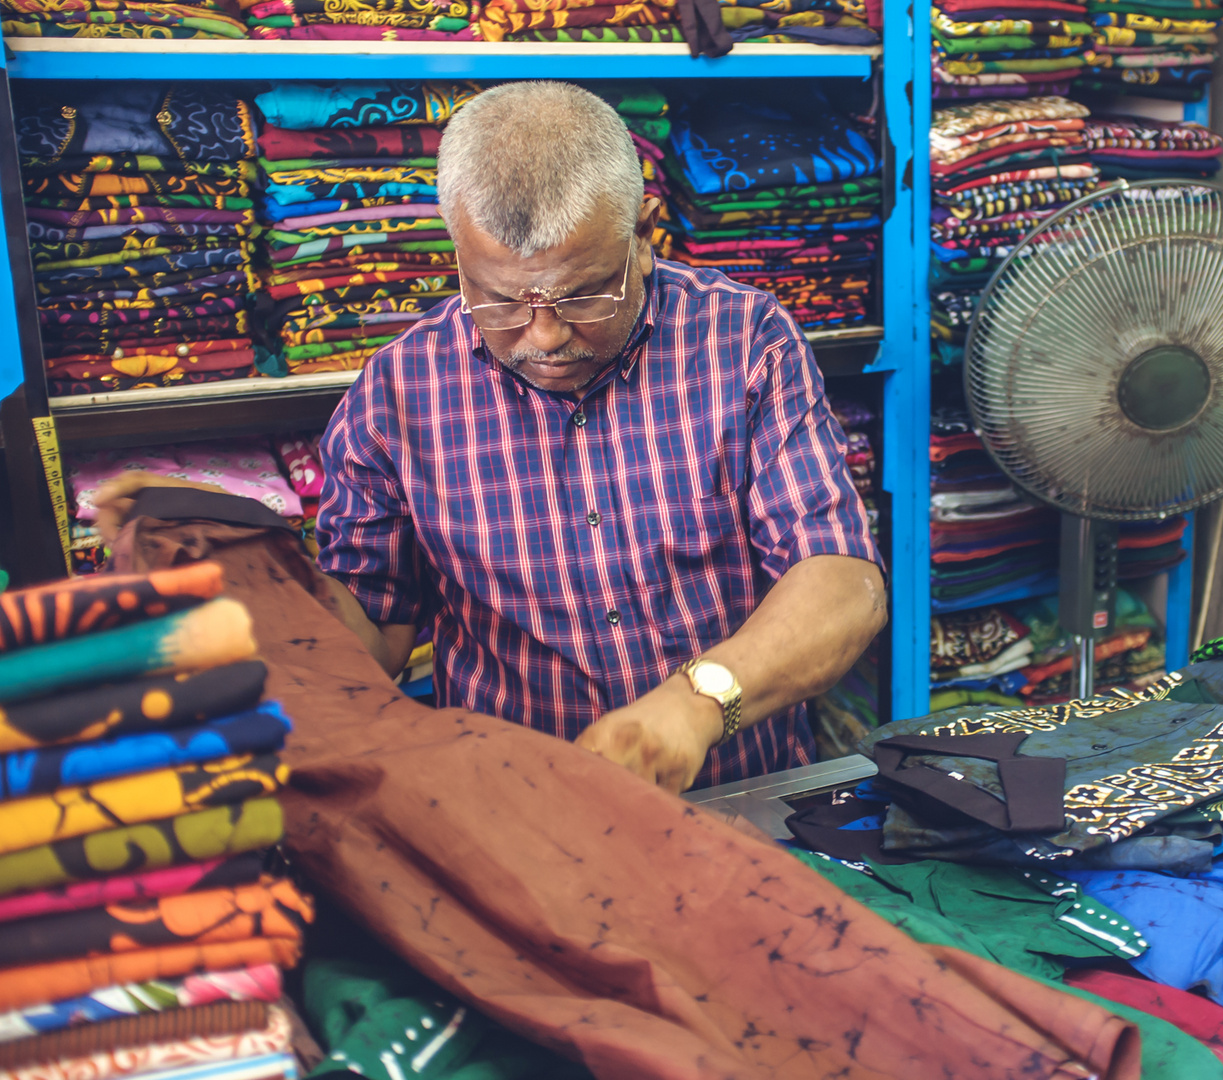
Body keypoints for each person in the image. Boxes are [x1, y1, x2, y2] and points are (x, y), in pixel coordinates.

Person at [93, 81, 887, 793]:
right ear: (458, 259)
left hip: (738, 793)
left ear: (646, 232)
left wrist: (698, 703)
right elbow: (372, 643)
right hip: (515, 809)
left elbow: (844, 586)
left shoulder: (744, 342)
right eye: (502, 299)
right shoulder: (398, 395)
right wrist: (245, 554)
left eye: (583, 295)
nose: (544, 338)